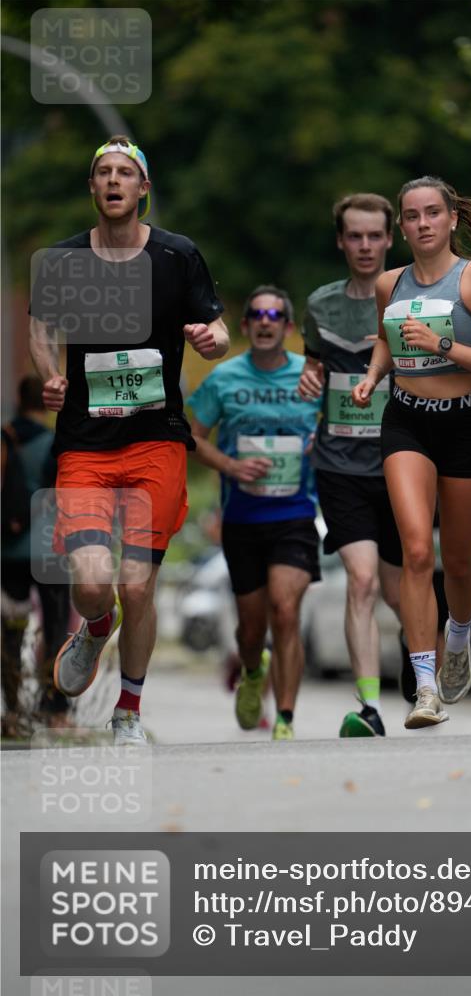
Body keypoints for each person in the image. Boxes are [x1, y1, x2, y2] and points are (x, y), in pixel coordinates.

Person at [28, 135, 229, 745]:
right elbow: (42, 329)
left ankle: (129, 715)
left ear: (143, 189)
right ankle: (94, 627)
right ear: (92, 188)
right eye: (103, 173)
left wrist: (212, 341)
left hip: (156, 440)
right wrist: (51, 375)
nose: (114, 181)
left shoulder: (177, 255)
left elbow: (215, 324)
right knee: (92, 584)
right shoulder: (61, 262)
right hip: (86, 444)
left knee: (139, 582)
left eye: (125, 173)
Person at [352, 175, 471, 729]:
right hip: (406, 424)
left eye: (432, 214)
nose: (422, 224)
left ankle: (460, 635)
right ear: (401, 226)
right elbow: (385, 338)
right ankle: (425, 688)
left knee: (460, 563)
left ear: (451, 219)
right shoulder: (388, 284)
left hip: (468, 425)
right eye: (412, 216)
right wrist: (373, 375)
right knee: (416, 552)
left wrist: (445, 345)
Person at [188, 286, 321, 741]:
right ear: (245, 326)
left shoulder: (311, 377)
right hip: (242, 519)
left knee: (286, 611)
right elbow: (191, 436)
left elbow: (341, 424)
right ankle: (250, 670)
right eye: (257, 315)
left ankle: (284, 717)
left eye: (275, 315)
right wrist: (230, 465)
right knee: (251, 630)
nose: (266, 322)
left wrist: (320, 441)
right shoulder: (223, 380)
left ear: (287, 327)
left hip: (296, 514)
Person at [298, 193, 402, 738]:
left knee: (399, 592)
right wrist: (310, 377)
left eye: (374, 236)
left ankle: (422, 666)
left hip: (404, 464)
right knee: (360, 582)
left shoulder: (412, 296)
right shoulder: (320, 305)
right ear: (341, 241)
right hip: (340, 464)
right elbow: (315, 366)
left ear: (390, 239)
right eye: (354, 236)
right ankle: (369, 708)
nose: (365, 246)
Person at [1, 376, 71, 736]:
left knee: (11, 631)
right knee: (58, 630)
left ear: (17, 397)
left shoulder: (4, 438)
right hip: (50, 549)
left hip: (8, 552)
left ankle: (12, 709)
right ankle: (55, 710)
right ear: (45, 402)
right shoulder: (55, 444)